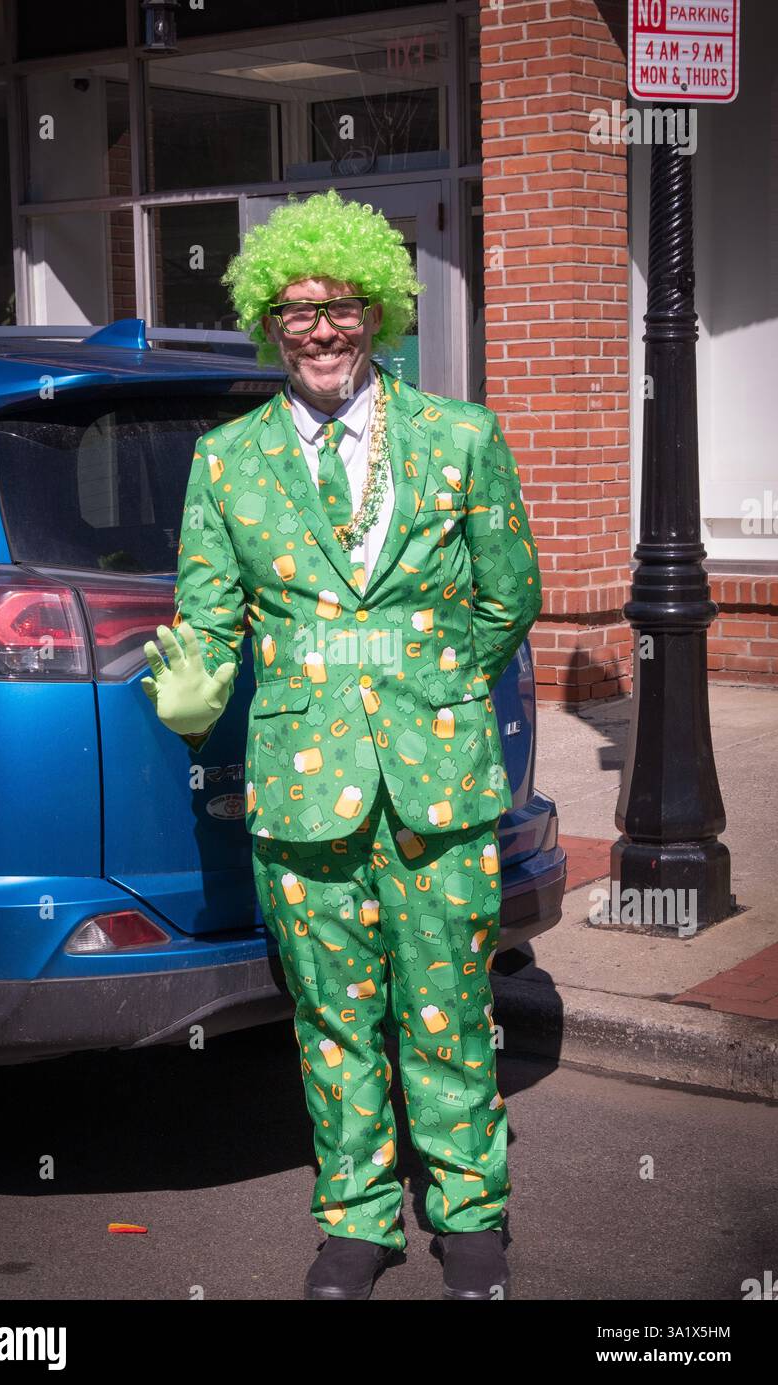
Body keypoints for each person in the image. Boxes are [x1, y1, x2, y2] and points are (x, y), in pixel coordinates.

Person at [142, 188, 542, 1300]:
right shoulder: (225, 461)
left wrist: (428, 677)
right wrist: (193, 680)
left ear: (380, 312)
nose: (320, 329)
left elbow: (509, 597)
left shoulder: (461, 435)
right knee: (329, 1017)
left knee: (451, 1009)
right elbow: (211, 616)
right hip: (301, 789)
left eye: (342, 306)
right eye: (295, 310)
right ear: (267, 321)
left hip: (438, 778)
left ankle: (470, 1215)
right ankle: (355, 1222)